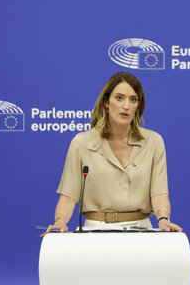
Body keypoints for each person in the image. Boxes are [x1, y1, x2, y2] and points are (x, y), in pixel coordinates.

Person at [41, 72, 182, 236]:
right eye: (120, 98)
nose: (126, 106)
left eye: (133, 99)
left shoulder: (153, 142)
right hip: (95, 229)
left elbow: (159, 194)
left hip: (142, 230)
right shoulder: (82, 143)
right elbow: (68, 197)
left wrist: (163, 219)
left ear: (138, 105)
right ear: (106, 102)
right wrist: (60, 221)